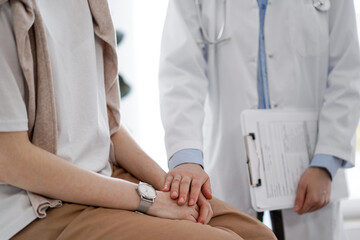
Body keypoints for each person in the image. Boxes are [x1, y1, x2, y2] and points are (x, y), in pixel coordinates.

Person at [0, 0, 277, 239]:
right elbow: (9, 159)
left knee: (258, 235)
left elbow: (110, 128)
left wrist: (171, 189)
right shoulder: (8, 13)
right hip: (34, 204)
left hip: (106, 176)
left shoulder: (90, 5)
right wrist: (149, 199)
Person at [159, 0, 360, 239]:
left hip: (309, 165)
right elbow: (181, 74)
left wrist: (326, 162)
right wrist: (187, 158)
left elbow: (347, 73)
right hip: (230, 161)